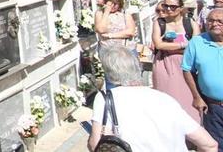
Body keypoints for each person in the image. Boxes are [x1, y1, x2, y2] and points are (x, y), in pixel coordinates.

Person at [87, 45, 217, 152]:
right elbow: (209, 144)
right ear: (138, 68)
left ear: (109, 74)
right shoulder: (166, 100)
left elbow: (95, 144)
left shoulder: (105, 98)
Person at [152, 0, 201, 123]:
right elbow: (158, 44)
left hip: (187, 65)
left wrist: (169, 46)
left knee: (189, 97)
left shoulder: (190, 23)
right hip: (165, 64)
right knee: (167, 97)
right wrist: (183, 45)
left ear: (180, 8)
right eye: (165, 5)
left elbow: (195, 45)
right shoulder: (159, 23)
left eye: (172, 7)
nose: (168, 9)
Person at [183, 8, 223, 150]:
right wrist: (197, 97)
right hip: (213, 106)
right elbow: (187, 69)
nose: (215, 24)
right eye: (211, 20)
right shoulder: (197, 42)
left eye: (220, 21)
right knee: (216, 145)